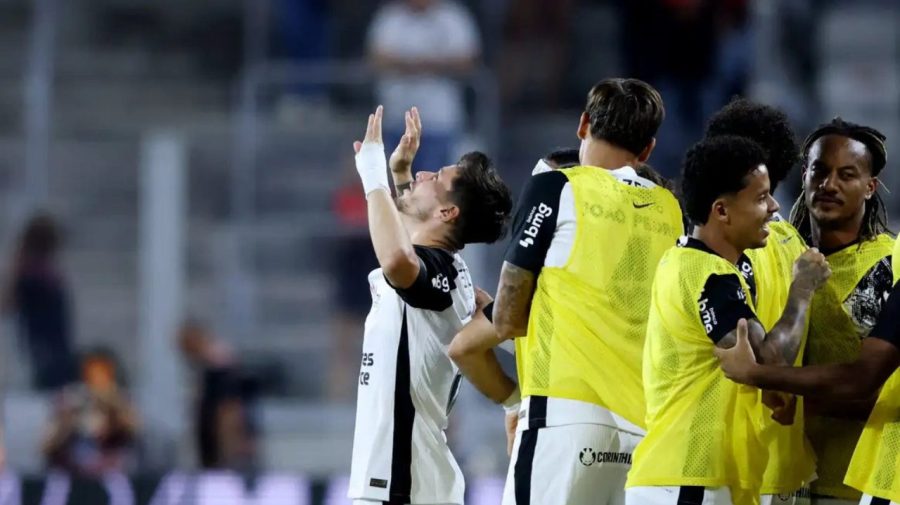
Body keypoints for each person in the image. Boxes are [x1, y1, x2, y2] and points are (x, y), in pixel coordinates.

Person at [489, 78, 682, 505]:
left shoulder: (557, 187)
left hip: (564, 413)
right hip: (644, 429)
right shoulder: (671, 210)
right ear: (647, 149)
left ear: (582, 124)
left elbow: (505, 317)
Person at [625, 135, 830, 505]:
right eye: (760, 197)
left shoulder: (686, 263)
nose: (773, 206)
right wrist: (802, 287)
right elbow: (768, 361)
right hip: (692, 478)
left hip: (685, 478)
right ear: (721, 211)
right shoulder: (713, 278)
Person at [348, 105, 512, 505]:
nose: (423, 173)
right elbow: (410, 239)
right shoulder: (444, 272)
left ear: (447, 212)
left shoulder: (442, 276)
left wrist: (374, 177)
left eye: (434, 178)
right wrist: (400, 175)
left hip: (402, 480)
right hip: (405, 481)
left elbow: (398, 260)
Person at [717, 231, 900, 505]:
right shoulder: (791, 242)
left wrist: (757, 374)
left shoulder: (881, 260)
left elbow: (864, 378)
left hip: (889, 472)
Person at [705, 98, 816, 504]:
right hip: (790, 462)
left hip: (734, 466)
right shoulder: (796, 242)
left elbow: (762, 357)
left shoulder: (725, 241)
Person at [779, 119, 893, 505]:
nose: (829, 185)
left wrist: (785, 400)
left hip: (854, 485)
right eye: (820, 171)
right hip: (778, 481)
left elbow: (877, 390)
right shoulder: (778, 256)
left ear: (869, 186)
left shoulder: (890, 265)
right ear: (805, 175)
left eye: (847, 175)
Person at [367, 0, 480, 172]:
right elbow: (377, 59)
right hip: (396, 119)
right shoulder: (391, 17)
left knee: (433, 185)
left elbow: (467, 61)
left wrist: (423, 65)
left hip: (439, 121)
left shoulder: (452, 16)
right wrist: (418, 65)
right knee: (399, 188)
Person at [3, 213, 76, 391]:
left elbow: (5, 305)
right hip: (53, 350)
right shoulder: (49, 275)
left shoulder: (32, 275)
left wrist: (14, 266)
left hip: (43, 353)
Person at [42, 349, 139, 477]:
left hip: (115, 477)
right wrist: (68, 418)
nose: (97, 381)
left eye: (102, 374)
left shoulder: (121, 403)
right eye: (92, 375)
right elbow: (47, 446)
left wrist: (111, 406)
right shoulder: (70, 401)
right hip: (74, 477)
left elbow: (133, 429)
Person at [178, 321, 259, 470]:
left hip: (226, 453)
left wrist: (228, 450)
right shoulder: (206, 372)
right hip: (214, 449)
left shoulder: (220, 372)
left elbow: (228, 412)